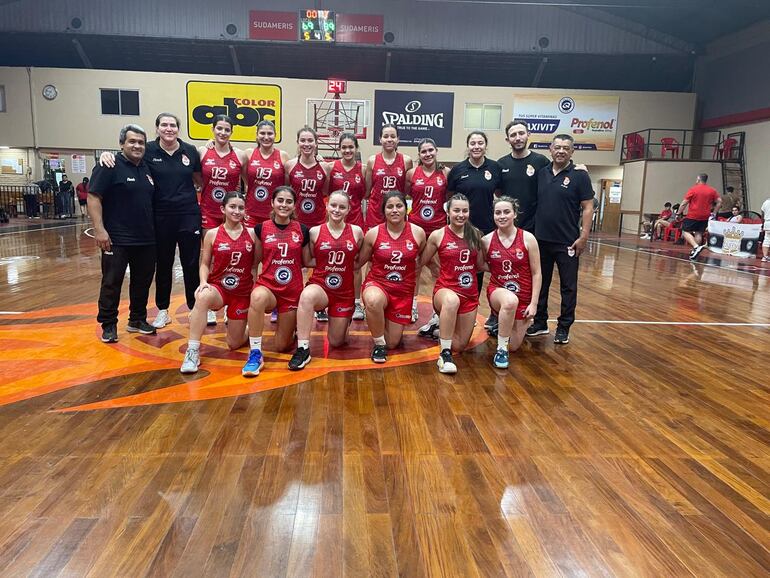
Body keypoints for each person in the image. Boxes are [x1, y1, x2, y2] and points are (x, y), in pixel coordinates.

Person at [100, 113, 203, 329]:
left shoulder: (190, 151)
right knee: (163, 264)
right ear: (157, 128)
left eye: (173, 125)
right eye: (164, 125)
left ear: (178, 129)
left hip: (188, 215)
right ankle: (163, 310)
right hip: (160, 217)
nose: (169, 129)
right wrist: (106, 154)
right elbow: (128, 157)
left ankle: (195, 308)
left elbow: (199, 180)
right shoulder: (147, 150)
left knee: (191, 263)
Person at [87, 124, 157, 343]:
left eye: (141, 142)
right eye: (132, 141)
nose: (137, 146)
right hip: (116, 239)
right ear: (121, 144)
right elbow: (93, 197)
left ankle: (137, 319)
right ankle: (108, 324)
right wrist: (99, 230)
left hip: (146, 238)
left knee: (142, 282)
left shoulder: (146, 167)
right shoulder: (109, 165)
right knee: (111, 282)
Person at [527, 134, 594, 345]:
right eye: (557, 147)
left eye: (566, 148)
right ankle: (540, 322)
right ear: (551, 149)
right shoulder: (542, 173)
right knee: (541, 283)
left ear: (572, 151)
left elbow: (588, 207)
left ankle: (564, 327)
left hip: (568, 242)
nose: (561, 151)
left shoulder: (580, 175)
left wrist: (584, 236)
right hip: (541, 240)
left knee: (568, 286)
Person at [288, 190, 364, 371]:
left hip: (344, 292)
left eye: (342, 207)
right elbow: (308, 261)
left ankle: (344, 320)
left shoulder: (357, 232)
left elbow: (357, 263)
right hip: (321, 286)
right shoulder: (315, 232)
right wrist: (327, 263)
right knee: (307, 296)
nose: (337, 210)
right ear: (327, 206)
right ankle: (303, 348)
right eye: (333, 205)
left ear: (348, 210)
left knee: (337, 342)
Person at [180, 192, 255, 374]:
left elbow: (255, 266)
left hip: (242, 292)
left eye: (241, 208)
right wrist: (203, 282)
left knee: (234, 344)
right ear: (223, 209)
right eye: (232, 207)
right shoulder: (212, 234)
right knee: (202, 295)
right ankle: (192, 351)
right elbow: (205, 264)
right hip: (219, 288)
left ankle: (243, 328)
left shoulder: (252, 234)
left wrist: (255, 289)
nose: (236, 211)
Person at [242, 186, 312, 377]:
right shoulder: (261, 228)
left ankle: (292, 330)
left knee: (282, 346)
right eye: (280, 200)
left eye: (289, 202)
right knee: (257, 297)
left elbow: (308, 261)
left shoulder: (302, 230)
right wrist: (249, 287)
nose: (284, 205)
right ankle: (255, 353)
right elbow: (255, 262)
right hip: (269, 287)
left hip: (291, 292)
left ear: (294, 206)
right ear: (272, 203)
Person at [358, 190, 426, 363]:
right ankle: (378, 344)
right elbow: (358, 263)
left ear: (405, 208)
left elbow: (423, 260)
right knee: (373, 300)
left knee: (393, 343)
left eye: (399, 206)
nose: (394, 210)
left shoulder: (418, 233)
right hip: (378, 284)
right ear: (384, 210)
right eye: (389, 207)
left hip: (403, 291)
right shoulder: (373, 233)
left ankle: (380, 321)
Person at [419, 194, 483, 374]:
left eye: (465, 211)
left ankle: (438, 330)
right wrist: (435, 268)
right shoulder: (438, 235)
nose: (460, 215)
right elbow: (422, 260)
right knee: (451, 301)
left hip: (469, 294)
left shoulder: (476, 234)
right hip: (445, 291)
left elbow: (480, 265)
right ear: (448, 212)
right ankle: (444, 354)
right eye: (456, 210)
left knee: (460, 345)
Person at [447, 131, 502, 332]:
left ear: (485, 146)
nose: (476, 146)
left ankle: (493, 313)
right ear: (468, 146)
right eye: (473, 143)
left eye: (480, 143)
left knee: (490, 271)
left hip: (488, 229)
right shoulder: (458, 170)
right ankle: (461, 309)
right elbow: (450, 196)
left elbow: (500, 194)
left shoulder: (495, 168)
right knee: (465, 270)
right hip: (464, 230)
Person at [483, 197, 541, 368]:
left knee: (514, 346)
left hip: (523, 294)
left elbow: (537, 273)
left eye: (506, 212)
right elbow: (480, 264)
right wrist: (497, 268)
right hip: (498, 291)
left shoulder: (528, 238)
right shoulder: (486, 240)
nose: (502, 216)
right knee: (509, 302)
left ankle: (502, 327)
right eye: (498, 213)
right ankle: (501, 350)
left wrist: (534, 304)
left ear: (515, 214)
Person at [406, 138, 450, 337]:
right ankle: (412, 305)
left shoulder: (446, 173)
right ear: (419, 154)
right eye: (423, 151)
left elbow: (450, 197)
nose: (427, 154)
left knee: (438, 269)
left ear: (436, 151)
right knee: (415, 267)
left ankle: (437, 310)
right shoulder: (411, 174)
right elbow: (407, 194)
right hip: (416, 228)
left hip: (438, 228)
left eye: (430, 150)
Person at [329, 133, 367, 320]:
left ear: (356, 148)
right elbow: (325, 191)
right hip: (334, 221)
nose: (347, 150)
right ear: (339, 148)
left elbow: (366, 193)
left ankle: (357, 302)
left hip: (355, 221)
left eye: (351, 147)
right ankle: (327, 299)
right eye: (344, 147)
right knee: (328, 261)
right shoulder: (331, 167)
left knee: (355, 264)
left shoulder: (363, 169)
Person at [497, 120, 550, 233]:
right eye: (513, 135)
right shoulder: (501, 164)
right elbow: (498, 192)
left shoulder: (541, 161)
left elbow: (557, 175)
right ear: (507, 140)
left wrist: (578, 168)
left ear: (528, 134)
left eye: (521, 133)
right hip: (509, 223)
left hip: (535, 225)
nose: (518, 138)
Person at [197, 115, 247, 231]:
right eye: (219, 128)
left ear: (231, 132)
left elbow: (249, 183)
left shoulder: (240, 155)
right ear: (213, 129)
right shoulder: (202, 151)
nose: (223, 133)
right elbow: (195, 178)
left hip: (232, 213)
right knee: (209, 242)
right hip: (208, 212)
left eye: (227, 130)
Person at [365, 124, 413, 231]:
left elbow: (407, 191)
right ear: (380, 139)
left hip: (396, 211)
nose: (389, 139)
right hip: (376, 212)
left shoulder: (406, 161)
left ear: (398, 139)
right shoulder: (372, 160)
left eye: (393, 136)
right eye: (386, 136)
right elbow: (367, 192)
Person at [244, 120, 289, 228]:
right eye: (262, 133)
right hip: (251, 212)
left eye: (270, 133)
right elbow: (245, 179)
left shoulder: (283, 156)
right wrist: (212, 143)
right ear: (257, 135)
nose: (266, 137)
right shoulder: (248, 153)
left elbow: (287, 185)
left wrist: (317, 158)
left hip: (275, 214)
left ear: (275, 135)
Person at [285, 126, 331, 230]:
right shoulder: (290, 165)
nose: (306, 144)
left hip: (318, 219)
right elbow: (285, 192)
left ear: (316, 143)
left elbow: (325, 192)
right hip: (295, 219)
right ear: (298, 142)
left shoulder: (325, 167)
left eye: (310, 140)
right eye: (302, 140)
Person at [676, 173, 721, 260]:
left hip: (693, 215)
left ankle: (696, 247)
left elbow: (684, 203)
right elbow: (719, 201)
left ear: (699, 179)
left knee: (684, 231)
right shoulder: (712, 190)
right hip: (705, 216)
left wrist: (678, 213)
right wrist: (714, 213)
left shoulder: (693, 189)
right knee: (699, 233)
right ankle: (695, 251)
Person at [761, 196, 770, 262]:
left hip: (767, 223)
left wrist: (763, 223)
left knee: (766, 240)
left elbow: (762, 214)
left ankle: (765, 257)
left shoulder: (765, 202)